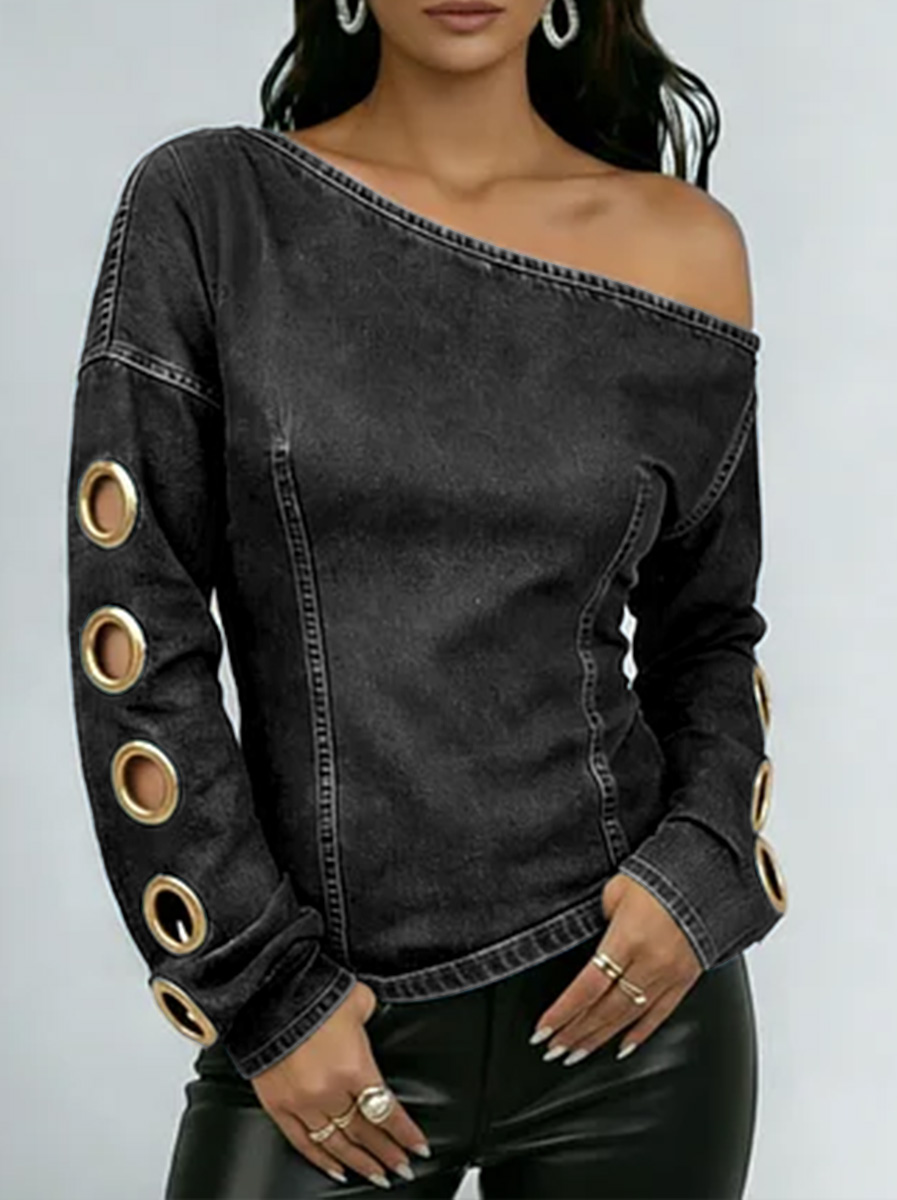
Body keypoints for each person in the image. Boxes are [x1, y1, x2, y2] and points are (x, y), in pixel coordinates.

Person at [65, 0, 788, 1196]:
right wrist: (267, 997)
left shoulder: (684, 246)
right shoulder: (212, 211)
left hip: (636, 1018)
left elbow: (707, 631)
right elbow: (140, 637)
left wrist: (699, 864)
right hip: (325, 1018)